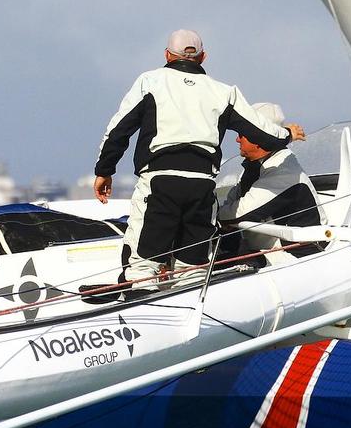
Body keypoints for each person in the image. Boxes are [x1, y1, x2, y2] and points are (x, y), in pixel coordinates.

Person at [93, 30, 306, 292]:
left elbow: (119, 130)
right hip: (201, 187)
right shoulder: (224, 92)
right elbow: (261, 132)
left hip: (159, 183)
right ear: (203, 57)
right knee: (192, 267)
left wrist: (104, 171)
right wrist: (288, 135)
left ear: (167, 55)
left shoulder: (150, 82)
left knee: (142, 265)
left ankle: (141, 307)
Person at [217, 102, 326, 265]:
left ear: (260, 137)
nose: (237, 139)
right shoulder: (255, 165)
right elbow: (230, 205)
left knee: (220, 264)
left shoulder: (284, 171)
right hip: (270, 253)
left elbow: (239, 212)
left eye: (242, 133)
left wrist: (218, 218)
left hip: (298, 259)